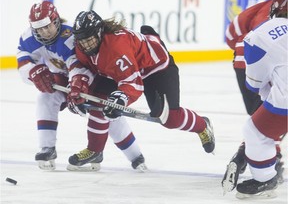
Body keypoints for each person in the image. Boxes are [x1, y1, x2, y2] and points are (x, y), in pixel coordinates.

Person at [67, 10, 215, 162]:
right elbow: (81, 66)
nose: (85, 45)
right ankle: (94, 150)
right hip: (121, 69)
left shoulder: (116, 48)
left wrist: (121, 99)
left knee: (170, 119)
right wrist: (78, 86)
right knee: (97, 100)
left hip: (155, 67)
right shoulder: (82, 45)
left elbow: (133, 84)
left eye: (89, 39)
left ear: (99, 33)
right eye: (82, 41)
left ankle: (203, 125)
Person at [16, 0, 147, 171]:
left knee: (105, 113)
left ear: (56, 21)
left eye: (47, 26)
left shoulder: (70, 36)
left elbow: (79, 64)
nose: (44, 32)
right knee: (45, 98)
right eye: (39, 29)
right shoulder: (28, 37)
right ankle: (47, 148)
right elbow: (23, 58)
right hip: (64, 81)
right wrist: (32, 71)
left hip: (94, 79)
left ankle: (136, 156)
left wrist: (78, 84)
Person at [221, 0, 285, 193]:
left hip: (250, 60)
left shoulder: (263, 15)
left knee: (259, 125)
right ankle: (267, 155)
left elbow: (232, 34)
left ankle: (266, 167)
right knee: (268, 121)